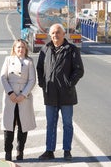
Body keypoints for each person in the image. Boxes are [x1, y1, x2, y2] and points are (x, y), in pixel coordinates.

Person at [36, 23, 84, 161]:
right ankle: (49, 150)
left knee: (67, 124)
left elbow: (79, 70)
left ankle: (67, 151)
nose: (55, 35)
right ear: (50, 35)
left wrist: (69, 84)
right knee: (50, 123)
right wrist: (42, 84)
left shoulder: (72, 49)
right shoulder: (45, 49)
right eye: (52, 33)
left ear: (63, 34)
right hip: (50, 93)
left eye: (58, 32)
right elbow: (40, 68)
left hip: (66, 94)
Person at [0, 39, 36, 161]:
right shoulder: (8, 60)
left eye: (23, 47)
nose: (20, 49)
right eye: (18, 47)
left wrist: (23, 95)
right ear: (14, 49)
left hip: (24, 99)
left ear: (26, 49)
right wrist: (10, 93)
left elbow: (32, 80)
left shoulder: (29, 62)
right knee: (8, 126)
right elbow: (3, 77)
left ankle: (20, 150)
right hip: (10, 97)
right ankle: (7, 152)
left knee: (23, 126)